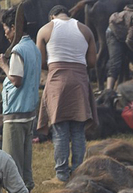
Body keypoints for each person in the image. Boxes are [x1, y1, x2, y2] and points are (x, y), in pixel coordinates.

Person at [36, 5, 97, 183]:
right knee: (78, 130)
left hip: (57, 82)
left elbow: (40, 62)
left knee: (60, 129)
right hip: (79, 82)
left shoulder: (45, 29)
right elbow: (92, 62)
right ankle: (78, 172)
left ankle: (62, 175)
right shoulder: (85, 29)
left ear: (52, 16)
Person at [0, 7, 41, 192]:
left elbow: (15, 79)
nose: (5, 34)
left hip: (16, 114)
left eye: (5, 29)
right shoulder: (33, 47)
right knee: (25, 161)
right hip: (29, 112)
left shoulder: (18, 51)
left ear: (14, 28)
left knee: (12, 163)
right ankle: (26, 192)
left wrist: (3, 65)